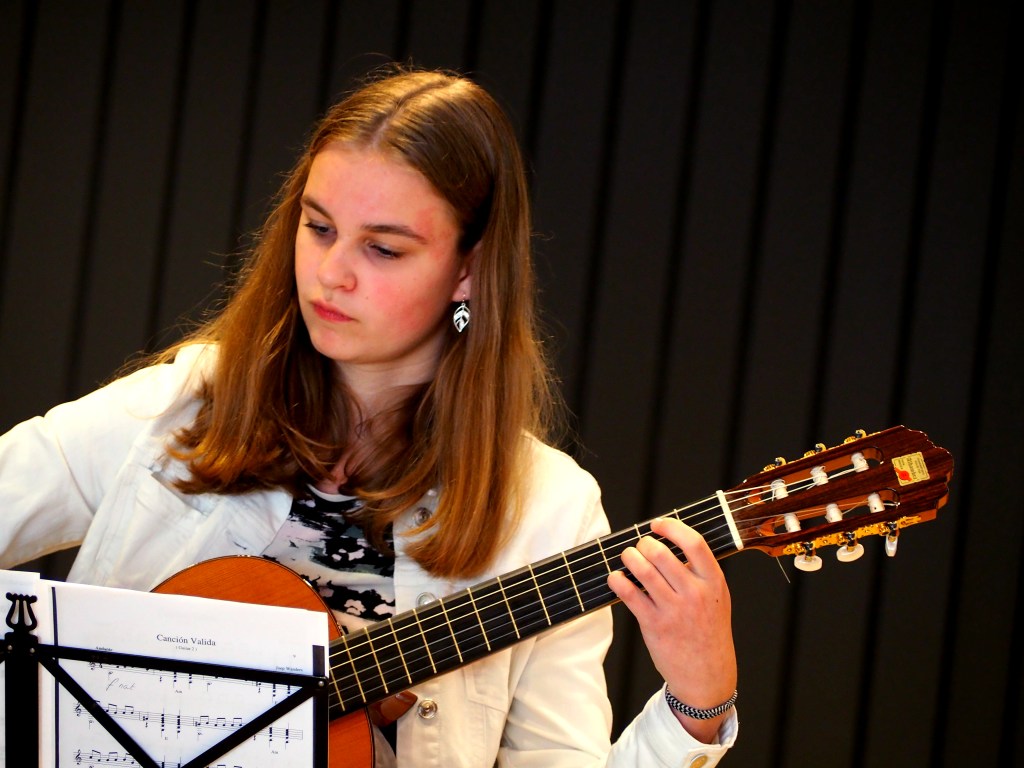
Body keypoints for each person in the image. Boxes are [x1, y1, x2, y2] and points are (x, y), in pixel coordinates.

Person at [0, 66, 738, 767]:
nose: (331, 274)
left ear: (469, 270)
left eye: (383, 248)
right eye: (318, 227)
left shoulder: (550, 509)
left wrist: (696, 708)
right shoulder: (184, 403)